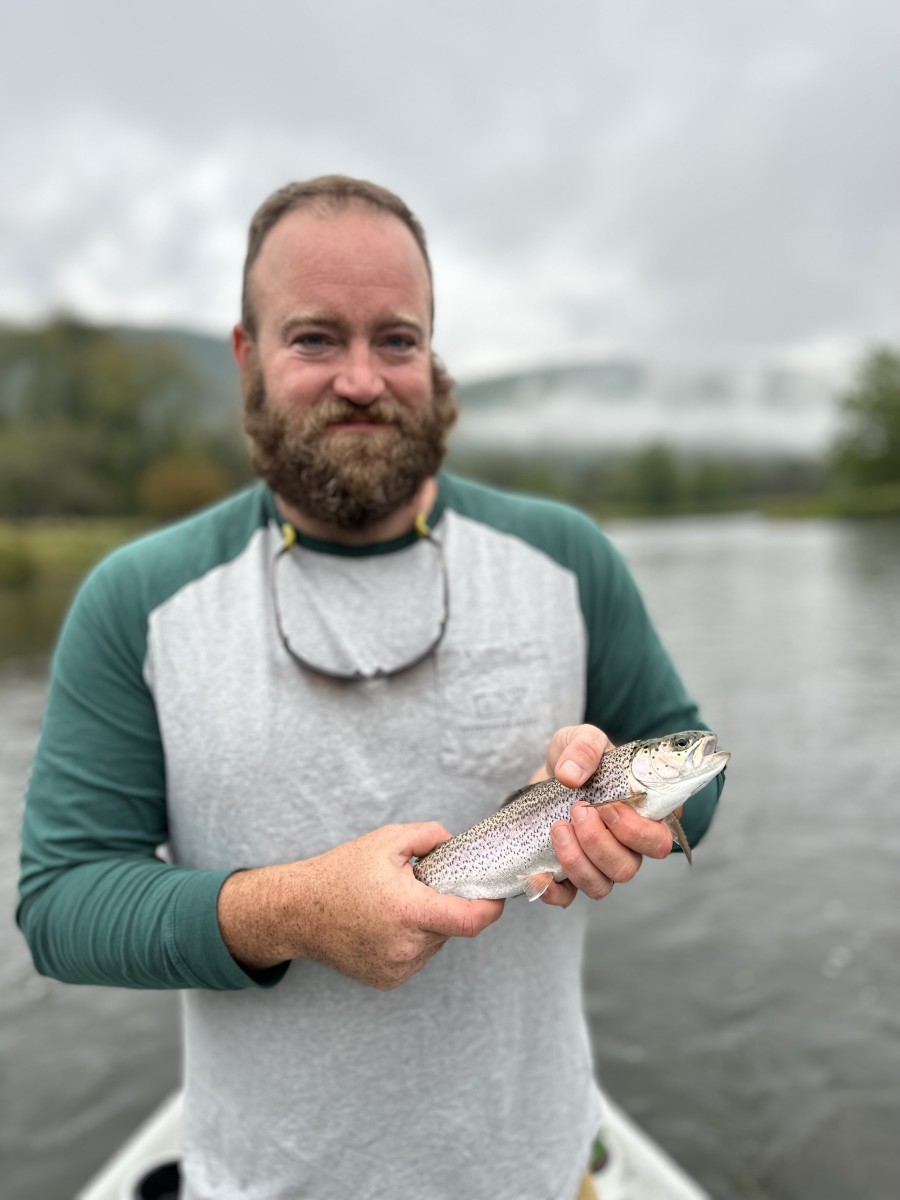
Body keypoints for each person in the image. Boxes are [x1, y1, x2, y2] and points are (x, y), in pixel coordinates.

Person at [17, 175, 724, 1200]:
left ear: (433, 355)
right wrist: (292, 912)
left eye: (397, 339)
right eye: (314, 339)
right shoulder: (136, 599)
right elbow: (62, 901)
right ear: (247, 356)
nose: (362, 378)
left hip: (535, 1172)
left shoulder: (569, 559)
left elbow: (694, 765)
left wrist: (643, 817)